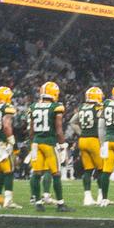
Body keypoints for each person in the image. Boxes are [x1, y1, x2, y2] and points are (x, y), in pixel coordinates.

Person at [29, 81, 71, 212]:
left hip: (36, 143)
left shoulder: (33, 106)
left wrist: (34, 141)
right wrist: (63, 144)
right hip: (49, 143)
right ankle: (60, 204)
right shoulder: (56, 107)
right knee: (56, 173)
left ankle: (38, 203)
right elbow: (58, 129)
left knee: (36, 174)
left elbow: (31, 130)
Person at [70, 86, 106, 207]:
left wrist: (82, 133)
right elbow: (102, 124)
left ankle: (87, 197)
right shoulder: (99, 107)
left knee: (88, 170)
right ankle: (102, 196)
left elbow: (72, 121)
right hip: (94, 140)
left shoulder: (82, 107)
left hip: (83, 140)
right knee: (101, 169)